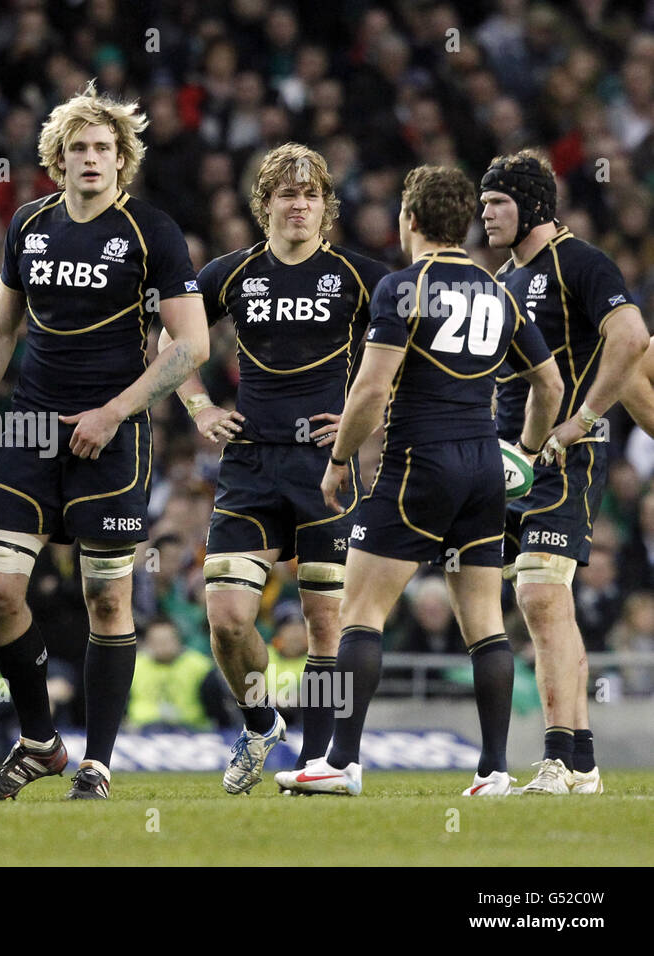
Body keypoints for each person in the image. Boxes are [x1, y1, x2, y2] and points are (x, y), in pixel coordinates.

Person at [0, 82, 209, 800]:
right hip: (31, 429)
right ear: (55, 161)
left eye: (103, 147)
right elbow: (1, 326)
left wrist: (113, 412)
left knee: (105, 598)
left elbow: (191, 345)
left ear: (123, 160)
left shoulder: (151, 230)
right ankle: (38, 742)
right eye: (77, 148)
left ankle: (97, 761)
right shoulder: (29, 224)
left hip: (114, 436)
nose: (91, 158)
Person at [277, 164, 562, 796]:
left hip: (419, 464)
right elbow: (551, 385)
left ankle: (342, 762)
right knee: (485, 621)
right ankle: (493, 772)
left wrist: (339, 459)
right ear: (463, 222)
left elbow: (372, 389)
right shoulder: (500, 291)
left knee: (360, 612)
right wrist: (526, 452)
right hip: (485, 466)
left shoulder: (404, 288)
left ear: (409, 219)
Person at [159, 143, 390, 794]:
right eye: (287, 193)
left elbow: (412, 354)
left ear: (326, 206)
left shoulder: (360, 276)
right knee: (228, 617)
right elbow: (173, 340)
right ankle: (262, 724)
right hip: (251, 463)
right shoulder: (230, 274)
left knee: (326, 624)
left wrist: (360, 416)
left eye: (311, 193)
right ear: (265, 205)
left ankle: (324, 763)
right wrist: (200, 406)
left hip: (328, 466)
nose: (299, 204)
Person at [481, 150, 649, 794]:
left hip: (565, 457)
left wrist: (582, 418)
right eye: (483, 201)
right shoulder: (504, 277)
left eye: (498, 202)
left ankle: (557, 758)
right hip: (506, 463)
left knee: (540, 597)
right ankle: (580, 764)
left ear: (534, 205)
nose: (486, 213)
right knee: (549, 608)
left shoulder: (581, 262)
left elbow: (630, 338)